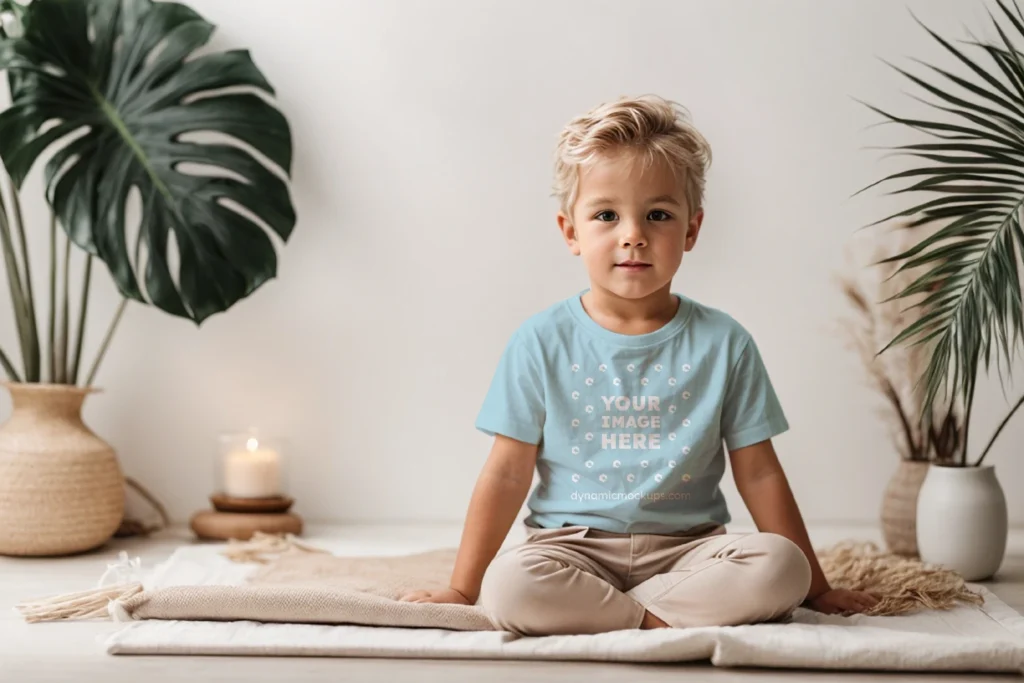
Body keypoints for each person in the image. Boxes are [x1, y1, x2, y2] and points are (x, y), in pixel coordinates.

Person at [399, 94, 880, 636]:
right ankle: (661, 619)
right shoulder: (539, 341)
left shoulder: (725, 342)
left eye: (658, 215)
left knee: (780, 567)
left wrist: (816, 588)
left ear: (691, 231)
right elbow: (508, 471)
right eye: (607, 215)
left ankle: (613, 616)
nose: (633, 233)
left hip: (690, 552)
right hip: (571, 551)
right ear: (571, 232)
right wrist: (463, 588)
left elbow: (760, 470)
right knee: (510, 585)